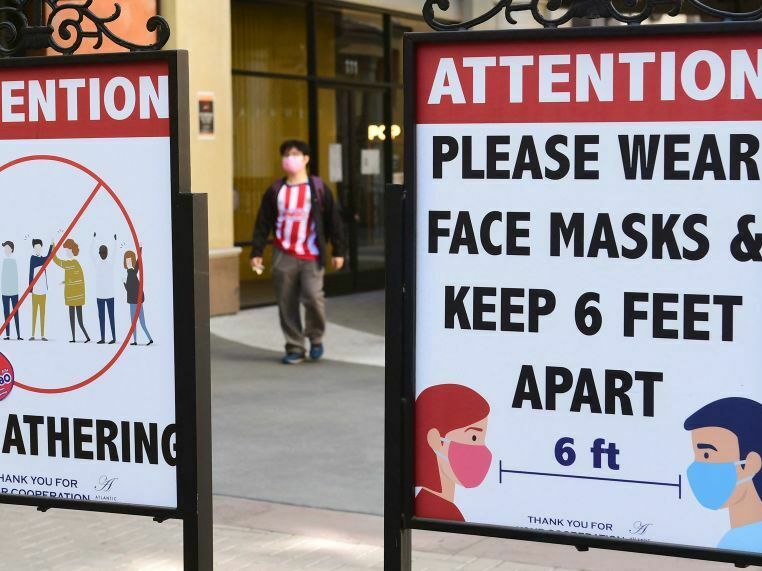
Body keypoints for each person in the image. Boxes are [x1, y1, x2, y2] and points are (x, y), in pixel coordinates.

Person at [249, 139, 346, 365]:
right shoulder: (276, 190)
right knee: (286, 302)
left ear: (306, 159)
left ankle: (316, 337)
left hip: (311, 254)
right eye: (286, 154)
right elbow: (263, 222)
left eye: (295, 154)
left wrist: (338, 250)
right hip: (283, 254)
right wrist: (256, 251)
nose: (289, 158)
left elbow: (334, 220)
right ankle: (294, 346)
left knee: (313, 297)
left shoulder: (318, 188)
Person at [685, 397, 762, 553]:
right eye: (696, 455)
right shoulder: (734, 539)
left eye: (706, 455)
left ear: (751, 464)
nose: (695, 468)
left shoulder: (739, 542)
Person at [415, 384, 492, 522]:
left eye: (483, 439)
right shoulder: (441, 511)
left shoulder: (435, 507)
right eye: (474, 437)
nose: (484, 451)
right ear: (435, 440)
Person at [53, 238, 90, 343]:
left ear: (72, 251)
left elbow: (57, 261)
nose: (66, 253)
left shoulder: (72, 263)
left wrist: (53, 247)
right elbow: (74, 277)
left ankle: (86, 337)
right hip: (74, 296)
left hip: (74, 297)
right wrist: (65, 281)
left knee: (77, 320)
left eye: (67, 251)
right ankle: (75, 338)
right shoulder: (74, 264)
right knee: (74, 319)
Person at [123, 250, 153, 346]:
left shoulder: (131, 273)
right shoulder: (131, 273)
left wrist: (124, 283)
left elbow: (128, 289)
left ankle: (140, 340)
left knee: (137, 323)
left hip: (134, 302)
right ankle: (145, 339)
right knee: (139, 323)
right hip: (137, 301)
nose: (128, 263)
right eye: (127, 261)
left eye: (129, 261)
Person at [92, 233, 117, 344]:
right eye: (101, 253)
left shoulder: (109, 263)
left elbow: (115, 253)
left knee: (110, 317)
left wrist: (115, 241)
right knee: (102, 317)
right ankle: (103, 338)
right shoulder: (98, 263)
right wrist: (94, 239)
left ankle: (113, 338)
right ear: (99, 254)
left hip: (109, 295)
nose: (103, 255)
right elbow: (90, 253)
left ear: (107, 253)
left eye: (104, 253)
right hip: (101, 295)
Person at [29, 238, 52, 341]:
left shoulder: (43, 259)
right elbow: (30, 273)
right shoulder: (33, 258)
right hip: (35, 291)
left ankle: (42, 335)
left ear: (41, 247)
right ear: (33, 248)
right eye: (36, 247)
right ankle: (33, 334)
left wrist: (51, 245)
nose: (37, 249)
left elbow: (48, 258)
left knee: (42, 313)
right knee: (34, 313)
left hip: (43, 291)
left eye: (39, 247)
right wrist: (30, 288)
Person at [1, 241, 22, 341]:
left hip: (13, 291)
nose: (6, 250)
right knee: (6, 314)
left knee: (15, 313)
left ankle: (18, 335)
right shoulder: (4, 261)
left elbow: (15, 277)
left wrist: (15, 289)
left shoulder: (13, 261)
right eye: (5, 248)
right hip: (5, 292)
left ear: (11, 249)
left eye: (7, 248)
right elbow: (3, 277)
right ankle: (8, 335)